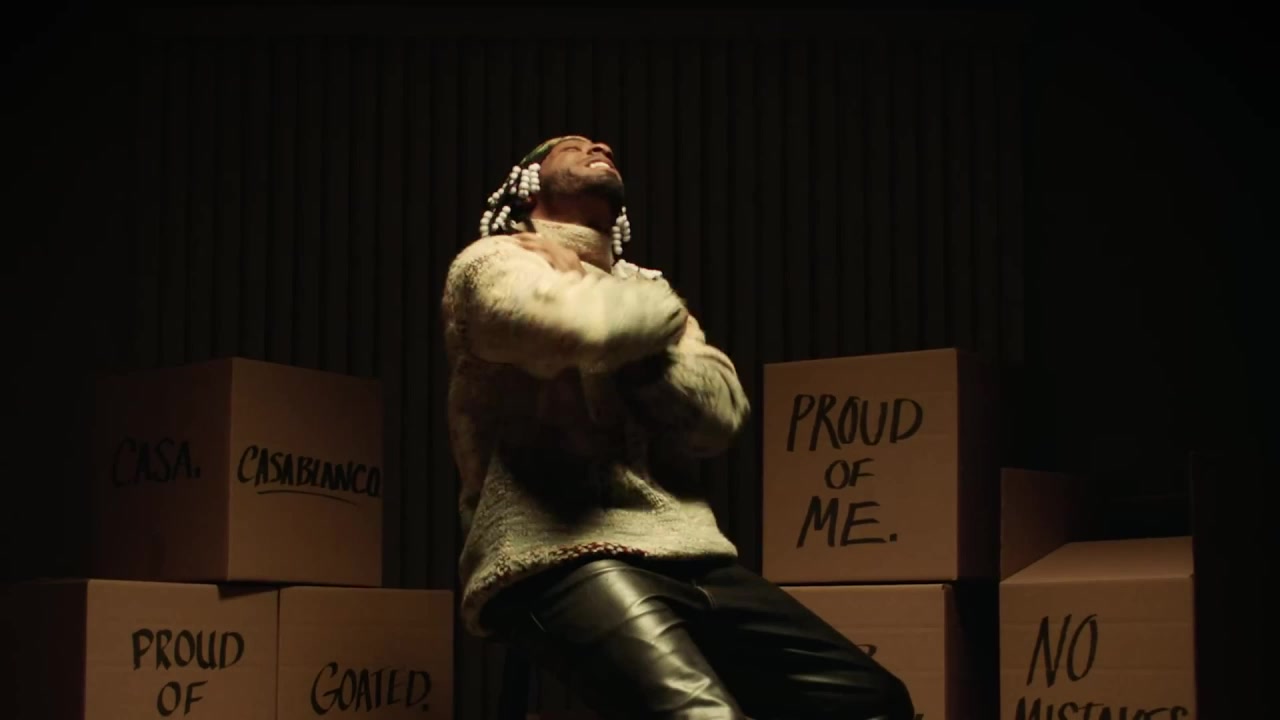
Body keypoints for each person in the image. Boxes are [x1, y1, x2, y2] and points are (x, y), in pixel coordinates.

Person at [441, 135, 915, 720]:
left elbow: (718, 417)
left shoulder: (643, 288)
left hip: (691, 552)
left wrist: (620, 312)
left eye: (600, 145)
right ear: (529, 180)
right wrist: (654, 315)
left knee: (871, 699)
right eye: (573, 146)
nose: (599, 146)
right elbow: (563, 324)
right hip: (555, 554)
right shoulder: (494, 259)